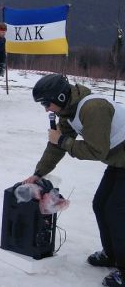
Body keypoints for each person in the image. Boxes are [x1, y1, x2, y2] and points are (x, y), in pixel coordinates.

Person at [25, 74, 125, 287]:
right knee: (101, 205)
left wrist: (62, 140)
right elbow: (56, 146)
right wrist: (39, 173)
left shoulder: (93, 108)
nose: (46, 109)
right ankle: (112, 254)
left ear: (60, 97)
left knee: (116, 211)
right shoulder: (68, 112)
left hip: (120, 158)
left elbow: (96, 150)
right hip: (119, 160)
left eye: (46, 103)